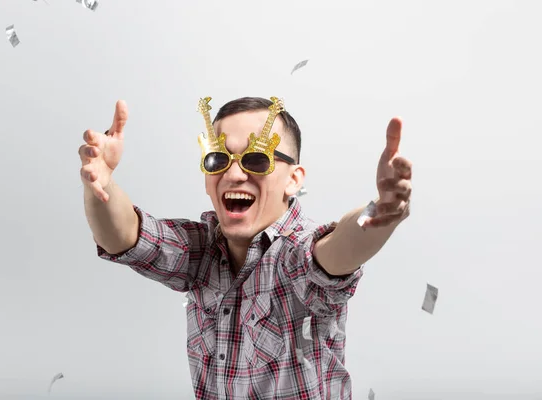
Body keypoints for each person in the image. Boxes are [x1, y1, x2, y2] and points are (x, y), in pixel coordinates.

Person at [78, 96, 413, 399]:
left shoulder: (294, 254)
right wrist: (101, 184)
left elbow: (336, 252)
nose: (234, 173)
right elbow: (125, 236)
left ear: (293, 179)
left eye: (256, 159)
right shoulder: (200, 252)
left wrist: (379, 210)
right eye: (217, 159)